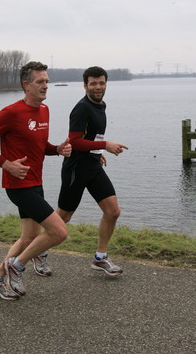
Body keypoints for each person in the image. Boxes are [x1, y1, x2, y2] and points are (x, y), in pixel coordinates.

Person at [0, 61, 71, 300]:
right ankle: (16, 266)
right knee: (59, 232)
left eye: (47, 81)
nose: (45, 86)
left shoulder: (44, 111)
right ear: (26, 85)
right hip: (18, 185)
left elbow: (39, 147)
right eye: (40, 81)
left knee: (28, 237)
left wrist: (56, 149)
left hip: (36, 183)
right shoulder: (11, 112)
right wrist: (5, 163)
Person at [40, 66, 128, 276]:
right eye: (93, 83)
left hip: (93, 165)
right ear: (85, 85)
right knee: (64, 217)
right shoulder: (82, 108)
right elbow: (75, 141)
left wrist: (98, 150)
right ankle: (39, 252)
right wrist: (105, 145)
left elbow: (90, 138)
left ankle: (100, 258)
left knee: (113, 211)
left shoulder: (100, 105)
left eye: (101, 83)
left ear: (106, 84)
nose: (98, 87)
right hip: (76, 168)